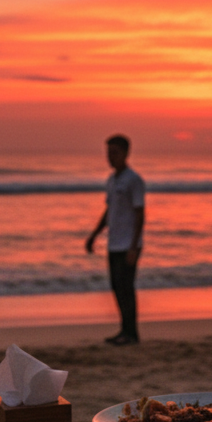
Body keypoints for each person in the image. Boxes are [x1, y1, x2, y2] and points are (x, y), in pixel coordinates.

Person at [85, 134, 145, 345]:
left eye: (115, 153)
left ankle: (132, 333)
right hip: (114, 243)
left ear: (126, 154)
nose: (111, 157)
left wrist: (133, 247)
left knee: (126, 287)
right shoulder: (112, 180)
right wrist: (94, 235)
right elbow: (109, 211)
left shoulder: (134, 180)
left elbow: (140, 214)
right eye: (108, 153)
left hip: (129, 244)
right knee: (116, 287)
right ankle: (124, 330)